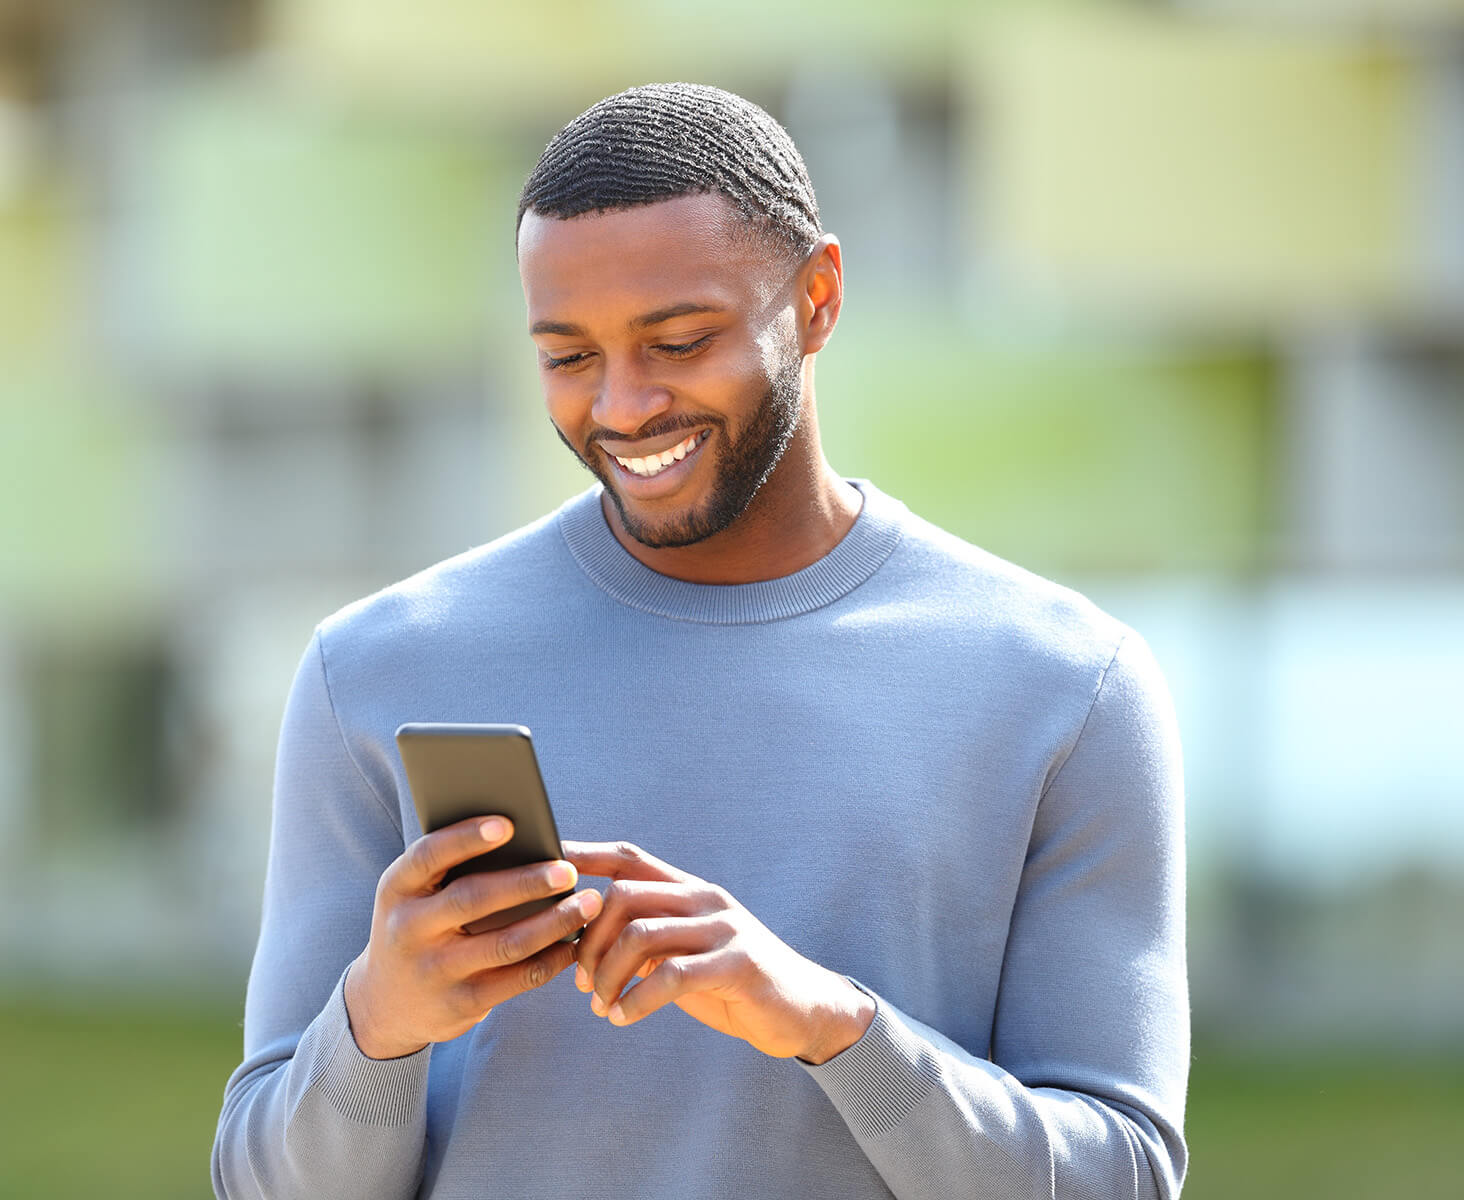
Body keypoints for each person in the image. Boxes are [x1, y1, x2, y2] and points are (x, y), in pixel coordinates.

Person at [210, 82, 1188, 1200]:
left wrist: (833, 1026)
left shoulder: (1065, 687)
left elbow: (1123, 1179)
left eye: (679, 341)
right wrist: (376, 1024)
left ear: (816, 296)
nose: (623, 408)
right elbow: (265, 1183)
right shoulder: (375, 668)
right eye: (568, 356)